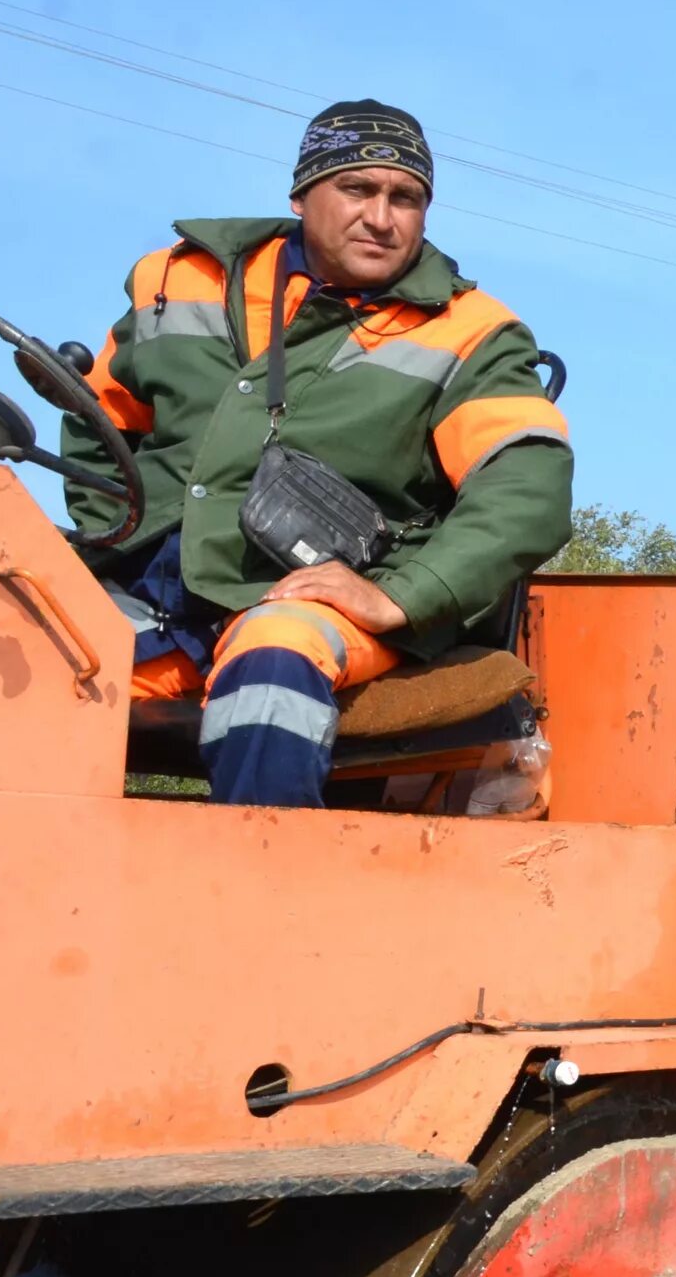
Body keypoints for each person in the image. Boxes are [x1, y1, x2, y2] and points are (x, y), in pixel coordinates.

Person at [62, 100, 574, 805]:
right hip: (161, 598)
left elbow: (528, 490)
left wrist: (400, 596)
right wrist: (114, 537)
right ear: (302, 192)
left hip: (324, 604)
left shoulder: (473, 333)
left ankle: (260, 895)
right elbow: (99, 418)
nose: (382, 217)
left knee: (274, 664)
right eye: (357, 189)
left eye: (407, 198)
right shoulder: (177, 280)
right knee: (15, 644)